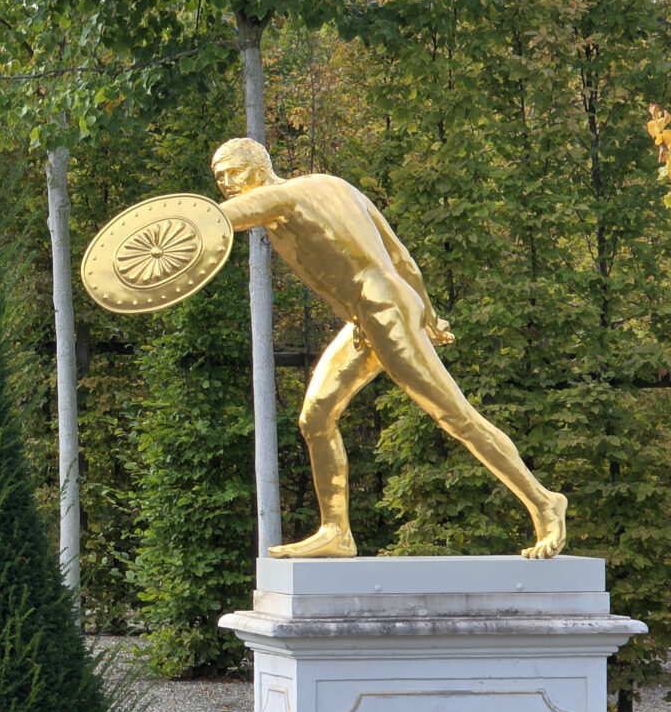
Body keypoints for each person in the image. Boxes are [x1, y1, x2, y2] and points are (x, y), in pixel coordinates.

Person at [211, 137, 566, 559]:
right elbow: (401, 256)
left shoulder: (280, 198)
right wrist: (428, 312)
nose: (228, 184)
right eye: (220, 177)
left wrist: (167, 228)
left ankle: (545, 502)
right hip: (375, 311)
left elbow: (220, 218)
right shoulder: (332, 185)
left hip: (381, 309)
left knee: (455, 415)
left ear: (259, 168)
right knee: (316, 417)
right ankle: (336, 532)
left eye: (235, 172)